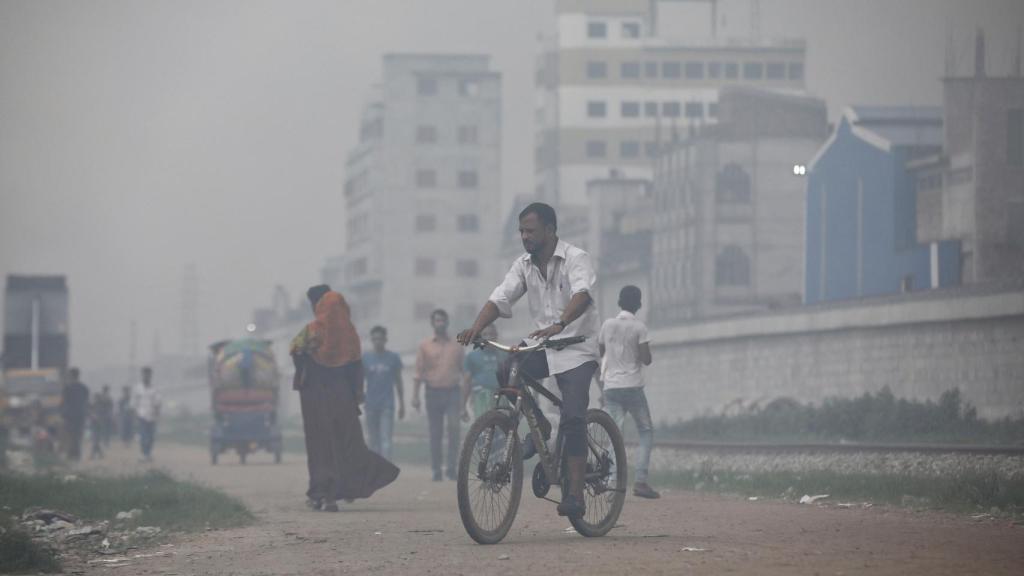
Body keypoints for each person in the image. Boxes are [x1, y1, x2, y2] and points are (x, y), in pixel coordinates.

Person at [458, 202, 601, 519]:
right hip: (545, 345)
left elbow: (583, 294)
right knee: (506, 366)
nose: (524, 236)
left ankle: (575, 494)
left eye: (530, 231)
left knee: (575, 417)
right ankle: (539, 423)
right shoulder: (523, 265)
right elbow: (500, 297)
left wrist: (562, 323)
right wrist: (476, 328)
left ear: (550, 230)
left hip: (578, 347)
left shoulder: (576, 258)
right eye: (521, 231)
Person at [291, 284, 399, 512]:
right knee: (347, 445)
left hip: (316, 400)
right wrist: (357, 396)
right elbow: (356, 371)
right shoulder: (351, 336)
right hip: (342, 400)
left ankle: (321, 493)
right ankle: (339, 491)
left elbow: (296, 356)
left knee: (320, 445)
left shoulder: (310, 331)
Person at [598, 285, 660, 499]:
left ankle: (611, 485)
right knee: (645, 431)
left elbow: (601, 353)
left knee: (614, 435)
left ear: (619, 302)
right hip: (633, 387)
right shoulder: (639, 327)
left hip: (611, 387)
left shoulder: (607, 325)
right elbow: (647, 359)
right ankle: (641, 481)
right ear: (639, 305)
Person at [412, 309, 464, 482]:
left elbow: (464, 372)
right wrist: (415, 396)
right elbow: (418, 371)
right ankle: (436, 469)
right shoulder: (424, 345)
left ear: (447, 322)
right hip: (432, 392)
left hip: (452, 392)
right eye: (437, 320)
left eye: (443, 320)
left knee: (454, 428)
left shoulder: (457, 346)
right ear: (432, 323)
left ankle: (451, 468)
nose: (440, 323)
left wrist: (466, 399)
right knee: (436, 432)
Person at [361, 326, 404, 461]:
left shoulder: (393, 358)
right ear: (371, 340)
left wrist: (402, 404)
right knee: (373, 441)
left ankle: (386, 468)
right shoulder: (365, 358)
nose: (377, 341)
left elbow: (398, 382)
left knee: (386, 440)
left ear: (385, 339)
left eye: (380, 339)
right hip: (370, 405)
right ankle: (376, 470)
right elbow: (359, 381)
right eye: (374, 339)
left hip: (387, 405)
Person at [461, 324, 507, 420]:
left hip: (501, 399)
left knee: (502, 430)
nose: (488, 338)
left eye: (491, 334)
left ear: (496, 336)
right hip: (480, 399)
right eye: (485, 334)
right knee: (483, 431)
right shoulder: (472, 357)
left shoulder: (505, 355)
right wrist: (463, 406)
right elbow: (466, 382)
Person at [131, 367, 161, 462]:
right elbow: (134, 403)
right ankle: (144, 454)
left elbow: (158, 402)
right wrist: (134, 416)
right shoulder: (137, 388)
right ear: (142, 375)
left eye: (148, 374)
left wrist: (157, 414)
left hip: (152, 416)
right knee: (144, 436)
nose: (146, 376)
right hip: (141, 415)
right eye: (144, 374)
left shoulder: (154, 388)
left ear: (151, 376)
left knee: (151, 437)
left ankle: (148, 453)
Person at [60, 368, 90, 461]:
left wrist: (61, 413)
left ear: (71, 376)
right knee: (78, 434)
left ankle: (72, 454)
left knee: (71, 434)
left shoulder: (67, 388)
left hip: (70, 415)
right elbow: (86, 402)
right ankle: (76, 454)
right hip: (81, 414)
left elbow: (63, 402)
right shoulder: (84, 388)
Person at [88, 391, 105, 460]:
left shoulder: (99, 405)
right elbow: (90, 413)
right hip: (94, 424)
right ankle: (101, 454)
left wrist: (96, 417)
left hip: (98, 424)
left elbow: (101, 415)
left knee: (95, 440)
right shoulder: (94, 405)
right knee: (96, 440)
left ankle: (93, 455)